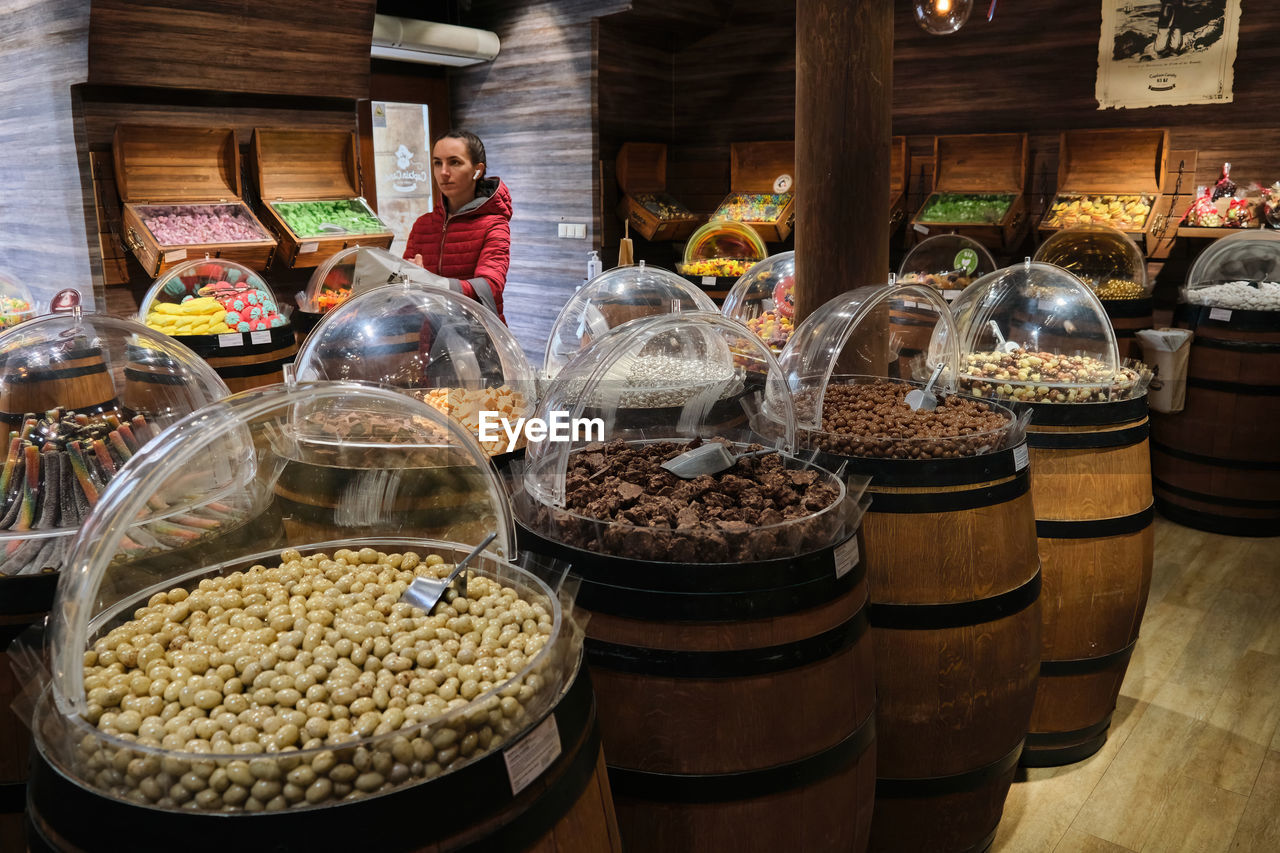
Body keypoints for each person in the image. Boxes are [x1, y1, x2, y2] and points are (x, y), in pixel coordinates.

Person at [404, 129, 512, 322]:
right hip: (431, 337)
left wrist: (430, 282)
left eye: (454, 162)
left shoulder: (494, 224)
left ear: (477, 170)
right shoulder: (422, 225)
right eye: (438, 163)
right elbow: (404, 286)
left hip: (479, 335)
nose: (443, 172)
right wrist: (406, 276)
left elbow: (490, 287)